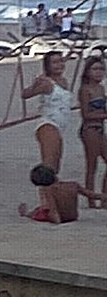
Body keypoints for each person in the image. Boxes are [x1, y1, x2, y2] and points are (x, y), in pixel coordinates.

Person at [23, 51, 73, 171]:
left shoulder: (64, 81)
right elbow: (25, 94)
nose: (59, 65)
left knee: (56, 167)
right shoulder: (47, 83)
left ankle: (52, 189)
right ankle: (45, 189)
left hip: (59, 126)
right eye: (54, 62)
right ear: (48, 66)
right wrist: (35, 84)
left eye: (61, 61)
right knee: (48, 166)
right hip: (49, 125)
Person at [18, 164, 103, 224]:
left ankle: (26, 213)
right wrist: (104, 197)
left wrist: (56, 221)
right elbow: (93, 195)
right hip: (73, 217)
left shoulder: (49, 190)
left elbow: (53, 210)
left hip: (60, 218)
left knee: (38, 211)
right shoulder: (73, 185)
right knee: (41, 208)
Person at [78, 56, 107, 207]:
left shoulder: (101, 89)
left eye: (101, 69)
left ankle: (103, 197)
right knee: (92, 165)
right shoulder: (85, 90)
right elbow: (86, 115)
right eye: (95, 69)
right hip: (90, 129)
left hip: (100, 129)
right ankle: (92, 200)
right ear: (88, 71)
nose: (99, 72)